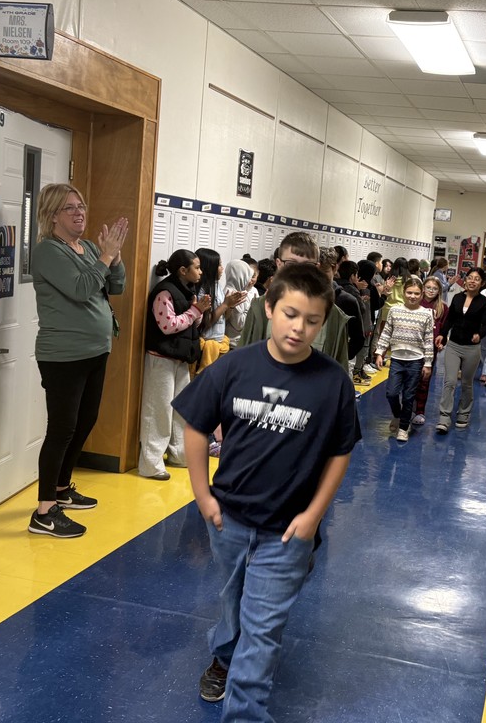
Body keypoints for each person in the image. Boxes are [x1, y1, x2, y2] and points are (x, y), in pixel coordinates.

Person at [173, 263, 360, 721]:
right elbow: (195, 425)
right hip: (229, 521)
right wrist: (202, 496)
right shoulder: (236, 366)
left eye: (312, 320)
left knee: (263, 629)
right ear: (270, 308)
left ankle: (245, 712)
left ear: (324, 322)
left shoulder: (332, 381)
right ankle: (222, 654)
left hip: (287, 532)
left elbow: (340, 452)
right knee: (234, 602)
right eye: (290, 314)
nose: (299, 328)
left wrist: (314, 515)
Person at [28, 182, 127, 538]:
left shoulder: (86, 247)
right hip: (63, 356)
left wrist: (113, 257)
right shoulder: (47, 252)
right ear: (53, 215)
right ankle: (44, 511)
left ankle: (61, 488)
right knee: (62, 429)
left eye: (81, 205)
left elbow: (114, 287)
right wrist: (104, 257)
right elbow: (82, 288)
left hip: (96, 349)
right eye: (70, 207)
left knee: (86, 421)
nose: (80, 212)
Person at [138, 249, 211, 481]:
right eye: (197, 267)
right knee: (158, 410)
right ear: (183, 270)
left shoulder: (187, 290)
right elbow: (168, 326)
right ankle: (151, 464)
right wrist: (194, 311)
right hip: (161, 359)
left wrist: (199, 311)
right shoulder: (164, 292)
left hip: (180, 358)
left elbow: (191, 323)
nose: (200, 271)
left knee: (180, 410)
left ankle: (179, 454)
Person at [238, 232, 350, 368]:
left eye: (307, 265)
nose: (299, 272)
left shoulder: (333, 316)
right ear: (279, 264)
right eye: (291, 264)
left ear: (317, 267)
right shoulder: (260, 307)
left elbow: (340, 369)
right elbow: (243, 359)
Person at [374, 276, 434, 442]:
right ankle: (398, 415)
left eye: (416, 293)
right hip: (397, 359)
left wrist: (428, 363)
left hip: (416, 361)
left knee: (409, 396)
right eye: (409, 292)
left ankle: (403, 427)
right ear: (403, 292)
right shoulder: (395, 310)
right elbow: (386, 333)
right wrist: (380, 353)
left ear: (421, 294)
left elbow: (429, 340)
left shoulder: (426, 314)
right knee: (391, 393)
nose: (412, 296)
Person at [436, 267, 486, 434]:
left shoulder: (483, 302)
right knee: (450, 381)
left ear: (482, 283)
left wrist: (479, 335)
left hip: (471, 349)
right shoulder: (458, 298)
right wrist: (442, 336)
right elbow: (450, 319)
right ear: (465, 280)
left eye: (477, 279)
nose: (472, 281)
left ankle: (464, 414)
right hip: (454, 346)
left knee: (467, 383)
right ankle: (444, 417)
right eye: (470, 278)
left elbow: (485, 324)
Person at [195, 249, 247, 375]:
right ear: (210, 267)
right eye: (219, 265)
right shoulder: (203, 290)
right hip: (206, 345)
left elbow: (224, 317)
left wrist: (230, 306)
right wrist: (225, 304)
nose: (222, 268)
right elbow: (206, 322)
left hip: (219, 343)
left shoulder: (217, 286)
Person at [412, 275, 448, 426]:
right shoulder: (416, 303)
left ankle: (420, 410)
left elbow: (444, 330)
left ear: (439, 290)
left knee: (424, 380)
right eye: (428, 288)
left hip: (430, 349)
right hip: (413, 346)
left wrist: (442, 342)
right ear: (423, 289)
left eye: (434, 288)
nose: (431, 291)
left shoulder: (443, 307)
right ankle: (409, 408)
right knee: (410, 379)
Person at [223, 259, 258, 349]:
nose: (249, 280)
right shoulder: (234, 293)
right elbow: (239, 324)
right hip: (234, 342)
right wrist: (254, 306)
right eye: (248, 276)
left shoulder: (238, 290)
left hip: (242, 341)